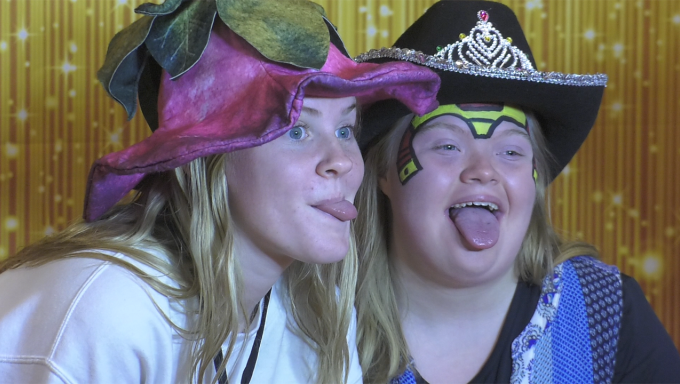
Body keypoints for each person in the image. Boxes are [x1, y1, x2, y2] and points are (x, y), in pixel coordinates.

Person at [0, 0, 440, 382]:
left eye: (346, 128)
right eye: (297, 131)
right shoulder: (108, 310)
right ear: (208, 159)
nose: (343, 161)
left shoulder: (318, 309)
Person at [353, 1, 680, 383]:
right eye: (447, 146)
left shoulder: (605, 313)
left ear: (535, 176)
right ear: (382, 171)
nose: (483, 171)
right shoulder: (313, 319)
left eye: (511, 151)